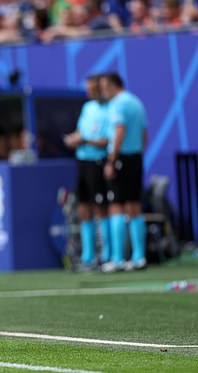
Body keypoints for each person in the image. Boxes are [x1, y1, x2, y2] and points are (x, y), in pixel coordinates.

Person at [100, 72, 148, 272]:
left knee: (116, 206)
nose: (102, 91)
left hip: (121, 157)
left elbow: (119, 131)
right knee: (134, 206)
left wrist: (112, 159)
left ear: (112, 85)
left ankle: (117, 258)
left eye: (104, 87)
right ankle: (138, 257)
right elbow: (144, 135)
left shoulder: (118, 104)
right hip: (135, 157)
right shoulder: (136, 102)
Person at [63, 75, 111, 269]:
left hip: (98, 161)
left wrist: (85, 141)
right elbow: (80, 132)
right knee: (83, 207)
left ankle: (106, 255)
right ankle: (88, 256)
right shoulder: (87, 108)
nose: (89, 92)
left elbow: (108, 140)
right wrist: (73, 139)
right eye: (88, 88)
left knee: (100, 208)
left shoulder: (110, 109)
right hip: (82, 161)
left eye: (92, 88)